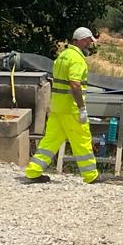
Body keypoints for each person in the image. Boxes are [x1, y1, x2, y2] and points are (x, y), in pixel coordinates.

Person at [25, 27, 99, 184]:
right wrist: (81, 108)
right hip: (71, 109)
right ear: (80, 40)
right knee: (82, 140)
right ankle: (91, 175)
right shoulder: (77, 59)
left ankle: (33, 171)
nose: (89, 44)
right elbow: (75, 84)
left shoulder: (63, 56)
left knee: (49, 141)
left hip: (57, 108)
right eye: (88, 41)